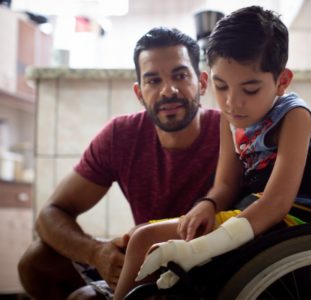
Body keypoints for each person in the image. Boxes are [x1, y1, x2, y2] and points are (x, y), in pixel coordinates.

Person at [112, 6, 311, 299]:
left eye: (250, 89)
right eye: (221, 86)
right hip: (255, 213)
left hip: (297, 222)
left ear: (282, 81)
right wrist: (206, 204)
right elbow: (226, 185)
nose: (232, 103)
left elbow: (278, 203)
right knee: (139, 238)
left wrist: (200, 248)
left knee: (144, 240)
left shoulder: (294, 116)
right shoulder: (230, 120)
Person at [18, 27, 221, 300]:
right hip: (143, 260)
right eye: (153, 80)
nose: (168, 90)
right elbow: (50, 215)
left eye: (180, 75)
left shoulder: (230, 133)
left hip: (211, 268)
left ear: (203, 82)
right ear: (139, 93)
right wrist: (97, 253)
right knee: (36, 261)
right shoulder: (120, 135)